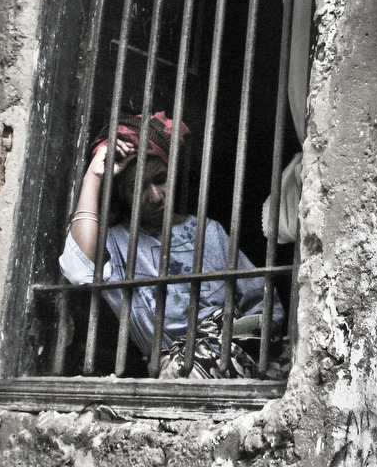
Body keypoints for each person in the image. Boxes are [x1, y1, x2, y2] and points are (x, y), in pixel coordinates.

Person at [59, 111, 283, 378]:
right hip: (180, 370)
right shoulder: (115, 243)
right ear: (121, 193)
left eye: (161, 179)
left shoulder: (208, 232)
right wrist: (93, 176)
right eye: (137, 188)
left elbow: (263, 303)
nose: (156, 197)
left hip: (236, 355)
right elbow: (77, 270)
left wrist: (250, 335)